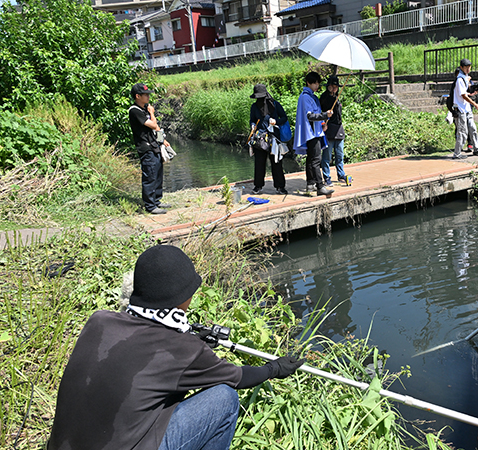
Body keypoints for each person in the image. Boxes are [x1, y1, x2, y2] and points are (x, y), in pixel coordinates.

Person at [47, 245, 305, 450]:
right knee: (224, 399)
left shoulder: (99, 321)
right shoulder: (183, 349)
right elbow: (239, 378)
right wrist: (274, 368)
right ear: (183, 298)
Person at [129, 83, 171, 214]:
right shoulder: (134, 110)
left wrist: (162, 140)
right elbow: (153, 124)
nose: (148, 97)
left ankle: (156, 200)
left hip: (154, 145)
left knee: (158, 174)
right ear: (137, 96)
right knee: (150, 176)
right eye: (145, 95)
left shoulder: (144, 109)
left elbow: (156, 128)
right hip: (145, 148)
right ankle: (150, 206)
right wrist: (152, 113)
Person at [294, 72, 334, 196]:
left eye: (318, 83)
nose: (317, 85)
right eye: (314, 83)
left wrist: (323, 122)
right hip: (311, 133)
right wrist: (324, 115)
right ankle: (320, 186)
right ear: (308, 83)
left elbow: (316, 114)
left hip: (315, 131)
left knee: (311, 158)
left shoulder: (312, 96)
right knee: (316, 159)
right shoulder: (305, 97)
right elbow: (310, 116)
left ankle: (310, 183)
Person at [249, 83, 289, 195]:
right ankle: (258, 186)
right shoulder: (254, 107)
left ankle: (280, 187)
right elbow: (252, 119)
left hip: (274, 138)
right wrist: (253, 125)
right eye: (258, 98)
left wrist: (276, 122)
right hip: (260, 138)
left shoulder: (275, 105)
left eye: (261, 98)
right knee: (259, 163)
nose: (260, 100)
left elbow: (284, 118)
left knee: (276, 162)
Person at [452, 59, 478, 159]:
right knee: (462, 132)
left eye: (469, 67)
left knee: (473, 128)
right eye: (466, 67)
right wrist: (475, 104)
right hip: (460, 109)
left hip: (466, 109)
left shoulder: (465, 78)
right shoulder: (460, 79)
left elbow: (465, 94)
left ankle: (476, 149)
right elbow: (463, 96)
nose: (468, 69)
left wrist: (471, 93)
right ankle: (457, 154)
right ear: (461, 67)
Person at [319, 75, 347, 187]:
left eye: (335, 86)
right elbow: (319, 113)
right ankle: (327, 177)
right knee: (327, 156)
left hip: (338, 129)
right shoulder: (324, 97)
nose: (334, 88)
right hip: (328, 128)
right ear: (328, 86)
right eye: (331, 86)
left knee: (339, 154)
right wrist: (322, 124)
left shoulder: (337, 97)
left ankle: (341, 175)